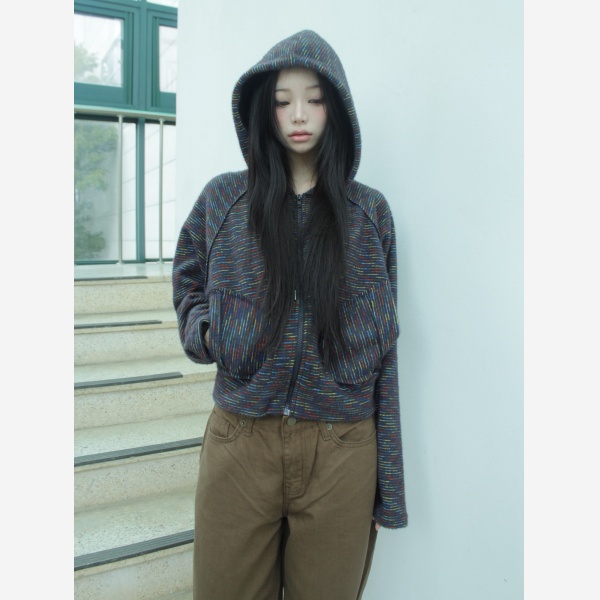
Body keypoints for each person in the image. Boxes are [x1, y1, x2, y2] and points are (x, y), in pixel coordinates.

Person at [173, 29, 407, 600]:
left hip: (342, 453)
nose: (298, 114)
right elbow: (186, 280)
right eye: (282, 100)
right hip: (240, 442)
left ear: (337, 108)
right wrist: (208, 333)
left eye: (314, 98)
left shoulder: (369, 214)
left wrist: (389, 488)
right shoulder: (223, 200)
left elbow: (386, 353)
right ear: (265, 109)